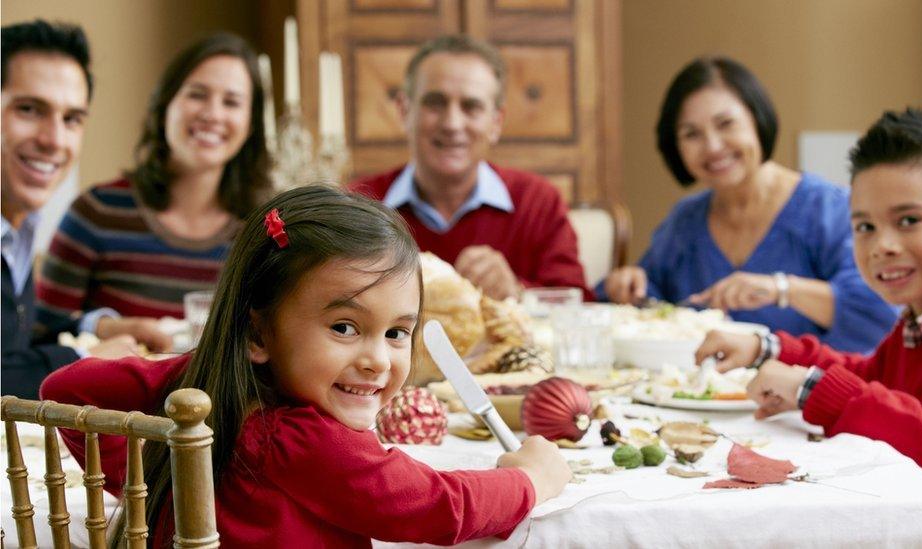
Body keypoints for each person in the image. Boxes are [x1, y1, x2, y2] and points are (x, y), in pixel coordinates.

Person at [41, 186, 572, 546]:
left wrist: (152, 466)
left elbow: (65, 389)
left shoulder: (212, 396)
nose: (376, 359)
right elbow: (441, 507)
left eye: (397, 333)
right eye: (344, 327)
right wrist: (528, 479)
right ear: (257, 333)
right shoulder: (304, 441)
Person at [696, 109, 922, 501]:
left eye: (909, 220)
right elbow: (869, 377)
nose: (883, 246)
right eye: (865, 228)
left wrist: (812, 391)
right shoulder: (919, 327)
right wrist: (768, 349)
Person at [598, 57, 897, 353]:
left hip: (808, 394)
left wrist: (781, 290)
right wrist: (628, 284)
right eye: (692, 134)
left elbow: (880, 313)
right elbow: (651, 302)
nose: (713, 147)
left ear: (757, 119)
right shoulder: (685, 221)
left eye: (725, 124)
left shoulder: (828, 210)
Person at [35, 32, 272, 348]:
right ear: (165, 106)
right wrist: (104, 327)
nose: (213, 114)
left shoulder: (264, 233)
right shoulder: (96, 212)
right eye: (197, 94)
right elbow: (38, 335)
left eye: (232, 102)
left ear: (251, 124)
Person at [350, 35, 587, 301]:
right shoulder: (359, 205)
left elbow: (576, 304)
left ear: (496, 122)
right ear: (405, 110)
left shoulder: (538, 202)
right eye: (435, 103)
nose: (452, 123)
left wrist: (516, 292)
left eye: (471, 106)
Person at [2, 19, 142, 399]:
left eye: (72, 119)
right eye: (30, 109)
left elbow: (11, 348)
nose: (54, 140)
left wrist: (98, 327)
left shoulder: (18, 230)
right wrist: (83, 358)